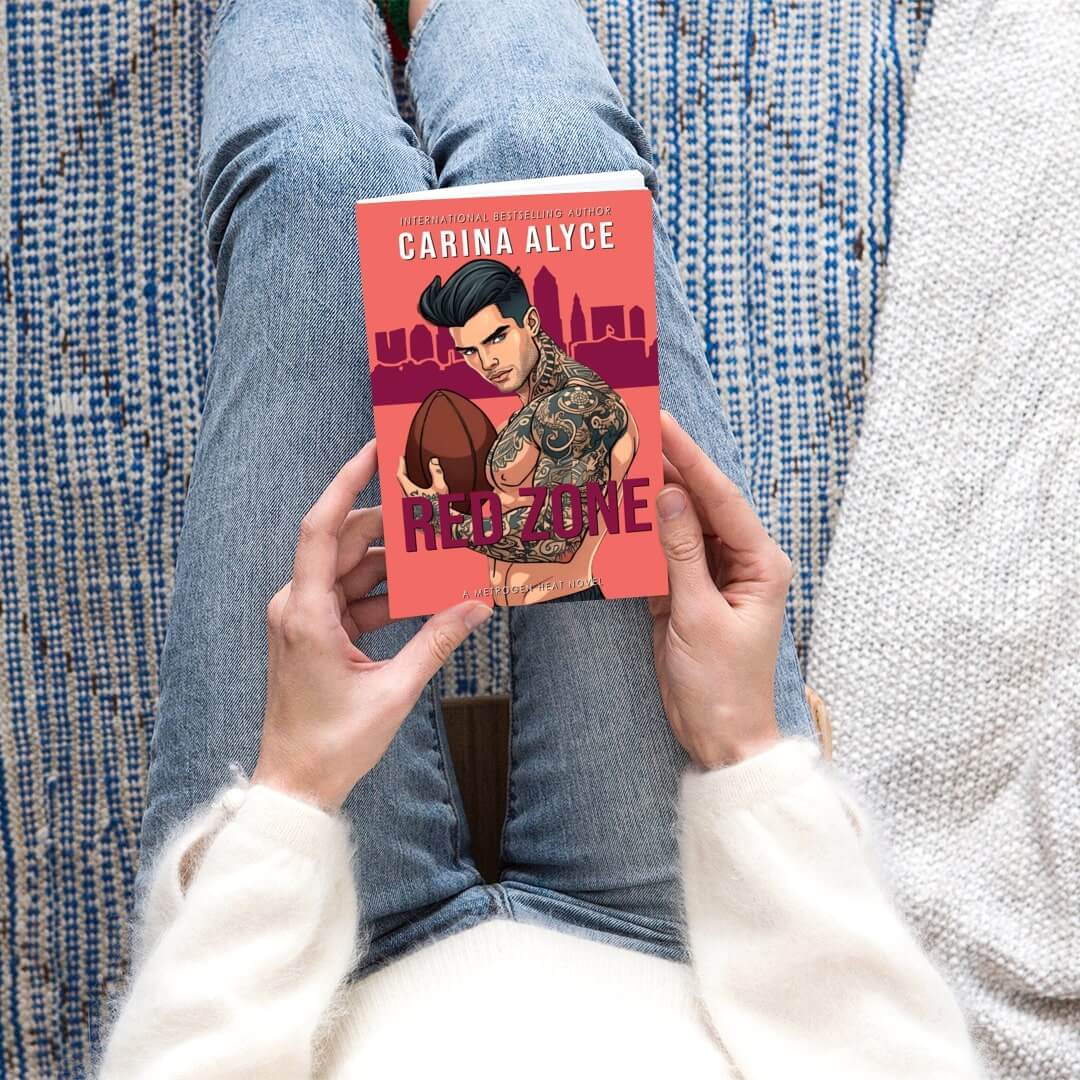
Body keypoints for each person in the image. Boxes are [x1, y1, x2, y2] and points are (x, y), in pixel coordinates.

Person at [94, 0, 983, 1075]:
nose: (489, 356)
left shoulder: (553, 408)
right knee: (553, 163)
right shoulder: (525, 401)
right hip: (693, 942)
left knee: (311, 181)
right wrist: (752, 754)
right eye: (472, 343)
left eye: (494, 337)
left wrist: (288, 793)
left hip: (311, 986)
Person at [396, 257, 636, 602]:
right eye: (469, 351)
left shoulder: (575, 406)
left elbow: (558, 537)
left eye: (496, 338)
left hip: (568, 603)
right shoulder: (530, 408)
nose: (486, 362)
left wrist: (440, 520)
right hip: (515, 603)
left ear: (532, 322)